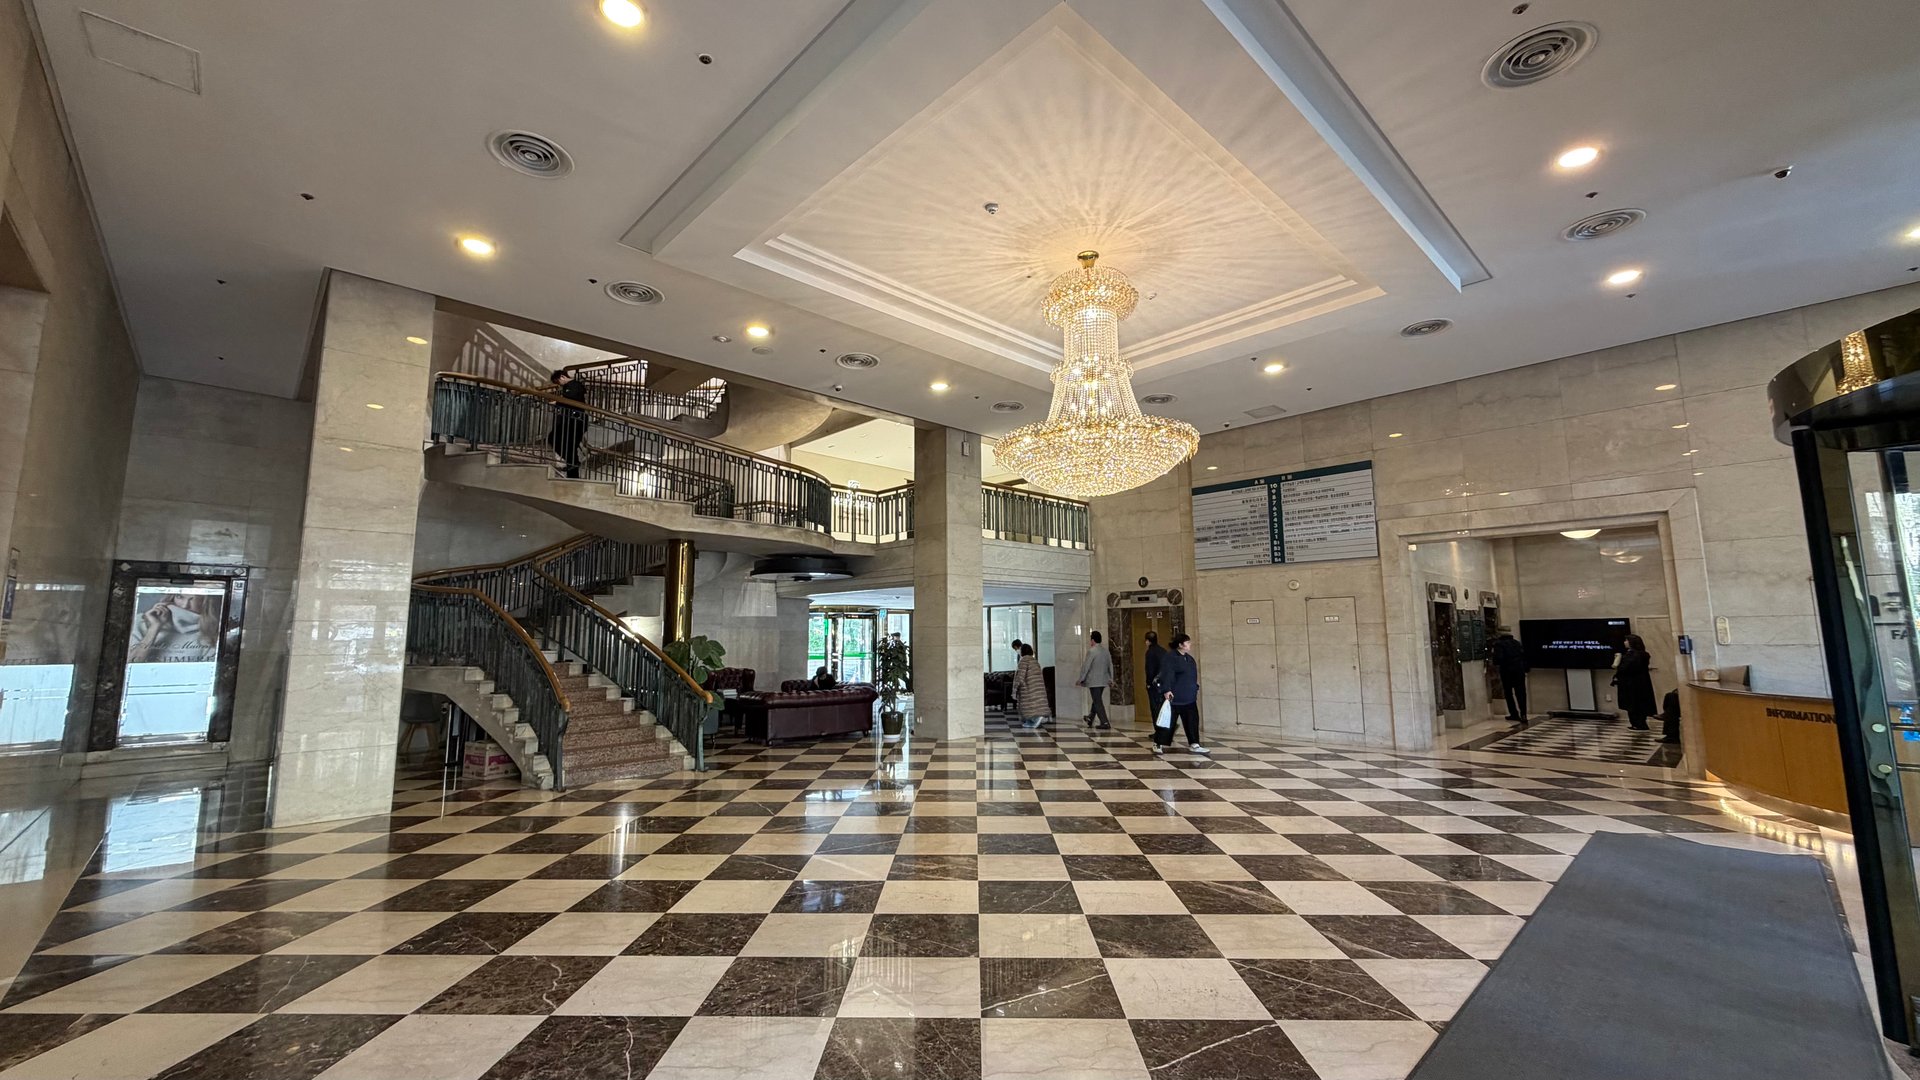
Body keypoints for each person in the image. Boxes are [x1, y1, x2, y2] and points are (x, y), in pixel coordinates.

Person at [1151, 633, 1207, 755]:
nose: (1190, 645)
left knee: (1192, 721)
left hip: (1189, 696)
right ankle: (1158, 743)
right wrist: (1166, 690)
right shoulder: (1170, 657)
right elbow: (1166, 674)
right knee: (1168, 722)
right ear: (1180, 645)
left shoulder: (1189, 658)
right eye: (1187, 643)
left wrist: (1195, 688)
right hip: (1174, 696)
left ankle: (1194, 743)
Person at [549, 367, 588, 479]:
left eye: (558, 382)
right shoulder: (571, 386)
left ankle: (573, 468)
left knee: (565, 444)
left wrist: (557, 402)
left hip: (576, 421)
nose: (559, 385)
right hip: (572, 420)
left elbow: (571, 400)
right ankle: (573, 467)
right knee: (564, 444)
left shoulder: (574, 385)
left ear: (562, 377)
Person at [1612, 633, 1657, 731]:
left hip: (1631, 684)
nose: (1625, 642)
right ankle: (1640, 723)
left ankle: (1637, 724)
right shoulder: (1643, 654)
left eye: (1626, 640)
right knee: (1639, 704)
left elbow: (1624, 668)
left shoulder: (1632, 655)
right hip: (1641, 683)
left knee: (1632, 704)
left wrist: (1618, 661)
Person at [1488, 626, 1528, 726]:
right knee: (1521, 693)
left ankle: (1514, 713)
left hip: (1507, 672)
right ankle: (1524, 714)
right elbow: (1524, 657)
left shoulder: (1499, 644)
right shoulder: (1517, 643)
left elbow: (1498, 659)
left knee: (1509, 693)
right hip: (1519, 671)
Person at [1076, 630, 1112, 730]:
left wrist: (1081, 679)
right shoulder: (1106, 651)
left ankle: (1105, 722)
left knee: (1097, 701)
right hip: (1103, 680)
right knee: (1097, 699)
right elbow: (1110, 665)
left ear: (1092, 640)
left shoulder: (1092, 651)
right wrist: (1111, 678)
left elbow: (1086, 666)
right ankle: (1090, 718)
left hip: (1094, 681)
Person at [1013, 643, 1049, 728]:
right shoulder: (1035, 661)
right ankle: (1037, 718)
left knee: (1028, 707)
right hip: (1037, 688)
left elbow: (1020, 677)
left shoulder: (1023, 661)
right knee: (1036, 704)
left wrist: (1015, 690)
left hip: (1027, 689)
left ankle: (1035, 720)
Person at [1142, 630, 1166, 711]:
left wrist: (1148, 683)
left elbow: (1150, 669)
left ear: (1148, 641)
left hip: (1154, 684)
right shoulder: (1163, 651)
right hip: (1164, 683)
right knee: (1162, 707)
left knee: (1155, 708)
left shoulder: (1150, 652)